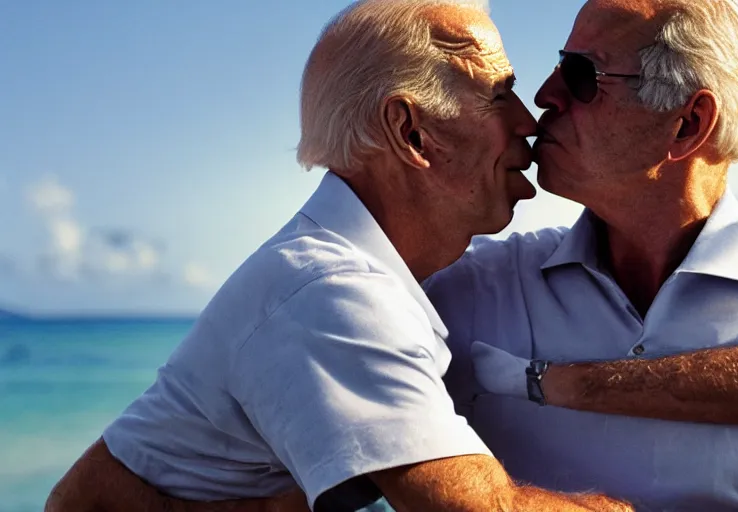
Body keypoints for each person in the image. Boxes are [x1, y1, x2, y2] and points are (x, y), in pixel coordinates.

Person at [45, 1, 633, 511]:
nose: (528, 122)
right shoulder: (335, 291)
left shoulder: (352, 273)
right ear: (411, 133)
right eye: (499, 95)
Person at [423, 0, 738, 509]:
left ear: (688, 123)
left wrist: (554, 383)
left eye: (582, 75)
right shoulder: (470, 289)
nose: (544, 96)